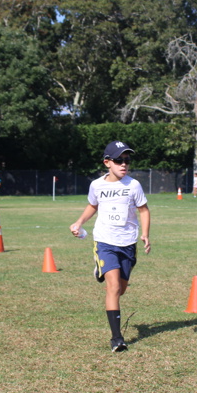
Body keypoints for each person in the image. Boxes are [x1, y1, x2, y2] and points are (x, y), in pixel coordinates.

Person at [69, 141, 151, 353]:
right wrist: (79, 222)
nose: (124, 164)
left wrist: (145, 234)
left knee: (121, 290)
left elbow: (143, 210)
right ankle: (117, 338)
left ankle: (100, 269)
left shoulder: (133, 185)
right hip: (105, 241)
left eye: (127, 160)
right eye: (118, 160)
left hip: (128, 243)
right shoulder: (97, 185)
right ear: (107, 162)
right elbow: (93, 205)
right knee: (113, 288)